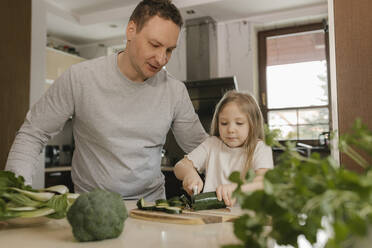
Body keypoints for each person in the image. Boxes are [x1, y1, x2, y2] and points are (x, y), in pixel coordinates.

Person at [5, 0, 207, 201]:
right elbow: (33, 133)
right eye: (154, 45)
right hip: (91, 208)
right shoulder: (80, 77)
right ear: (131, 30)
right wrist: (17, 192)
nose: (162, 58)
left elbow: (204, 150)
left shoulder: (174, 91)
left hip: (151, 210)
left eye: (169, 50)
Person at [174, 90, 274, 206]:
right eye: (224, 123)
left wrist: (238, 188)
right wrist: (189, 174)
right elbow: (180, 166)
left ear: (253, 124)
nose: (230, 129)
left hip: (246, 217)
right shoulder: (212, 144)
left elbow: (263, 181)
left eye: (239, 123)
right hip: (213, 215)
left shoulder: (260, 148)